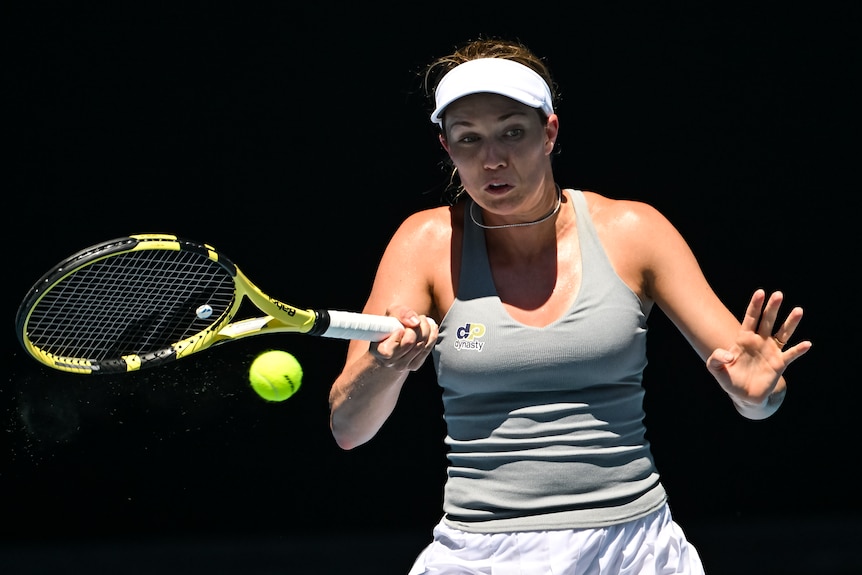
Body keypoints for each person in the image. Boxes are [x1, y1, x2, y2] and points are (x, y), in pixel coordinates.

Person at [328, 37, 812, 574]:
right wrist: (385, 365)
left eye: (513, 131)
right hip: (479, 551)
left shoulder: (634, 232)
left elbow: (759, 393)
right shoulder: (423, 244)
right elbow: (349, 429)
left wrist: (755, 399)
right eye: (469, 139)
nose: (492, 159)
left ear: (549, 132)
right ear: (447, 147)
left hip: (635, 550)